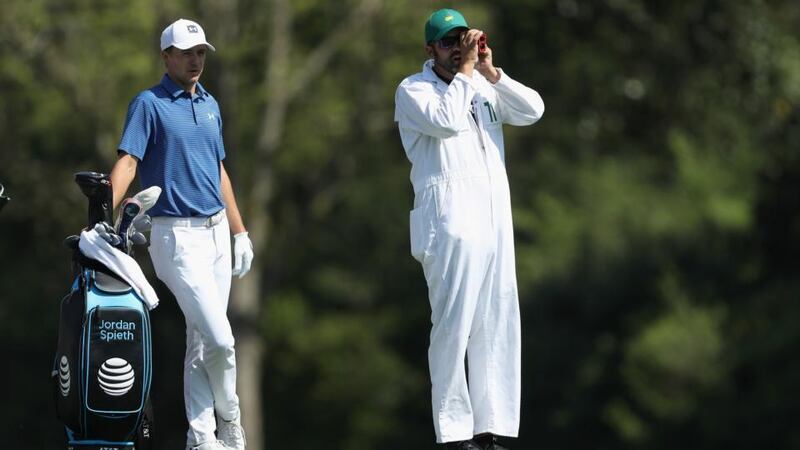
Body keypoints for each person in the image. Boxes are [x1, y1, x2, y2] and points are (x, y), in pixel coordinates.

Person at [394, 8, 545, 450]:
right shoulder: (413, 89)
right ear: (429, 49)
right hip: (449, 218)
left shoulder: (479, 83)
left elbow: (533, 110)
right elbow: (444, 121)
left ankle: (491, 427)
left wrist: (490, 72)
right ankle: (455, 432)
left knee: (497, 320)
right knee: (454, 325)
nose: (456, 48)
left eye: (462, 39)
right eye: (447, 42)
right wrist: (464, 74)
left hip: (494, 216)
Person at [109, 18, 253, 450]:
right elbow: (129, 162)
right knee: (222, 340)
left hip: (215, 235)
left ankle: (202, 436)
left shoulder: (210, 103)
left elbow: (218, 170)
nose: (196, 60)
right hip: (175, 237)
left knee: (200, 338)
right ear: (166, 56)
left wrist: (239, 230)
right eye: (187, 53)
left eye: (201, 52)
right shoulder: (148, 104)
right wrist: (100, 210)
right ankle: (231, 418)